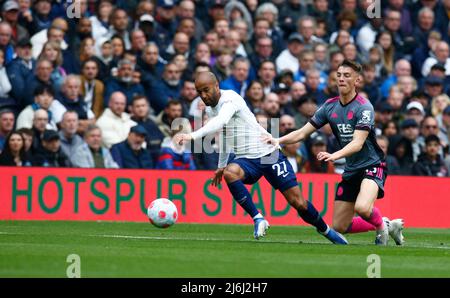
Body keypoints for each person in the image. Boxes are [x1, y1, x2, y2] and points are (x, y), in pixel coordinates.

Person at [175, 71, 347, 244]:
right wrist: (221, 165)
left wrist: (192, 136)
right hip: (247, 160)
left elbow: (219, 122)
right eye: (199, 92)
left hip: (268, 154)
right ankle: (258, 218)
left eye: (206, 90)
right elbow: (225, 134)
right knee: (230, 173)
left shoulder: (230, 99)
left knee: (298, 202)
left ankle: (326, 231)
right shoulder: (212, 109)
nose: (203, 95)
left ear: (216, 86)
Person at [265, 60, 405, 246]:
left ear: (357, 80)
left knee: (363, 208)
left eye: (347, 75)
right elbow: (302, 132)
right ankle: (387, 224)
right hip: (352, 168)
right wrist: (278, 140)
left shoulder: (364, 107)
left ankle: (381, 229)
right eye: (338, 75)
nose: (341, 78)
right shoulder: (329, 106)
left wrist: (334, 155)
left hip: (372, 165)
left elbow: (357, 143)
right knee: (339, 225)